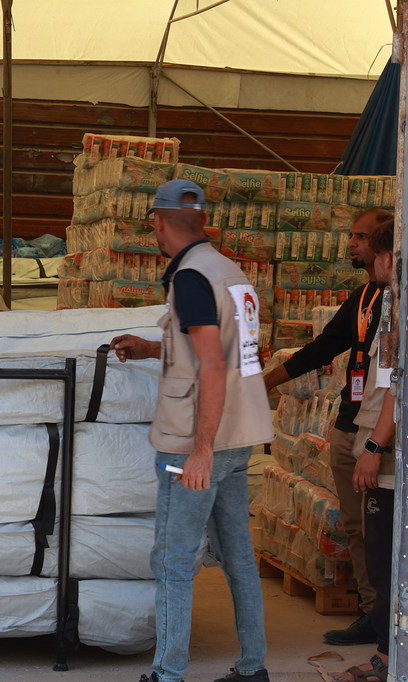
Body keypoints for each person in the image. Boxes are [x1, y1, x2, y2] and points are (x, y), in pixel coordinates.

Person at [111, 179, 274, 682]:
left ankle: (167, 674)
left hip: (195, 443)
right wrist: (153, 346)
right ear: (204, 222)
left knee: (173, 560)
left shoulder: (189, 278)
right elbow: (222, 350)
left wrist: (198, 452)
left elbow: (212, 366)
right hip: (240, 435)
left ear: (159, 223)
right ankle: (252, 668)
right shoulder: (229, 271)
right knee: (238, 556)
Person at [262, 207, 392, 646]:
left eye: (360, 237)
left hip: (382, 433)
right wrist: (264, 384)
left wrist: (376, 445)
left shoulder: (397, 301)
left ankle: (388, 622)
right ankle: (373, 613)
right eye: (351, 236)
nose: (351, 244)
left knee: (382, 528)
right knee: (358, 527)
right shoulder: (364, 297)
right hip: (351, 424)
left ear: (384, 245)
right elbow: (319, 350)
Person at [334, 218, 396, 682]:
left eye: (371, 250)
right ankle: (387, 654)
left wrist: (374, 445)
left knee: (383, 557)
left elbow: (399, 382)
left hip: (389, 458)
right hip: (376, 445)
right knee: (376, 553)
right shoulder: (385, 300)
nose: (367, 260)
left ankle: (388, 658)